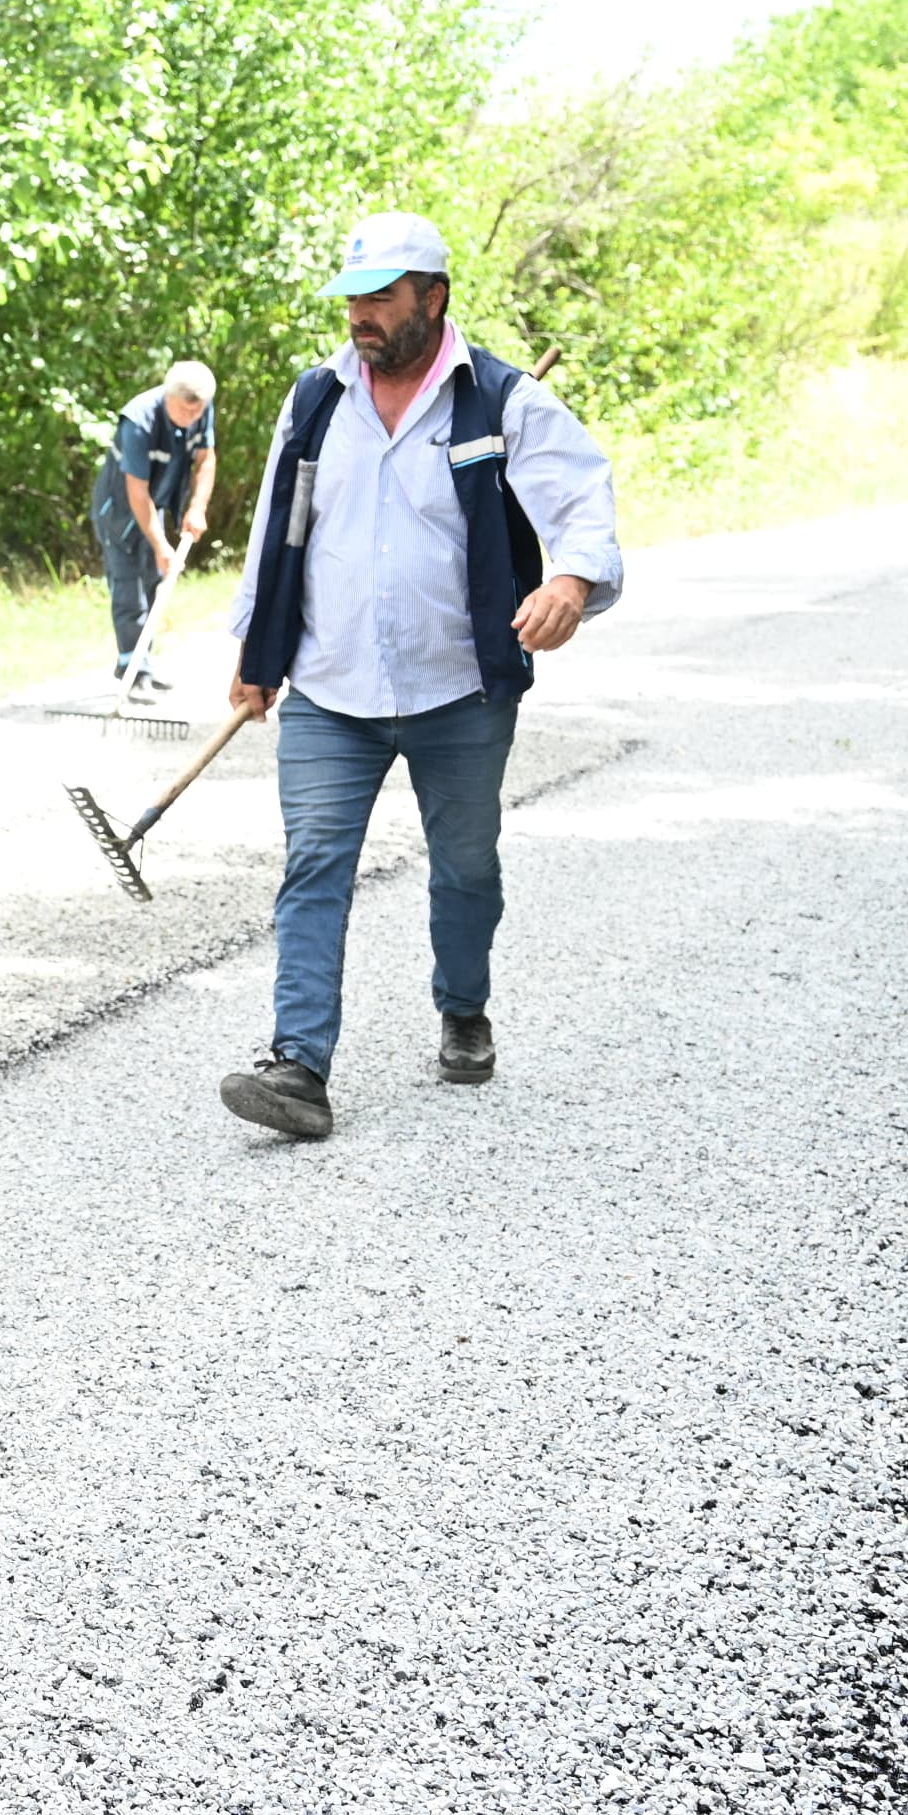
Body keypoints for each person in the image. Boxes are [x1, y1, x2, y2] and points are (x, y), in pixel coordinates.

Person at [213, 212, 622, 1142]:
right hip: (330, 685)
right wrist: (253, 643)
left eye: (381, 297)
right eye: (353, 297)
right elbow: (277, 528)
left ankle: (463, 1008)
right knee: (314, 865)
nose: (361, 315)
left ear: (433, 298)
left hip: (460, 688)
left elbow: (585, 504)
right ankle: (298, 1068)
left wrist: (570, 579)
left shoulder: (505, 402)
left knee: (467, 867)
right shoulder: (316, 399)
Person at [89, 360, 219, 694]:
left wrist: (197, 508)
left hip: (153, 505)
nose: (192, 418)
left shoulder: (200, 405)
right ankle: (131, 668)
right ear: (167, 398)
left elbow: (206, 459)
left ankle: (141, 662)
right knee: (128, 584)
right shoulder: (138, 421)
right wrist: (162, 545)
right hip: (119, 509)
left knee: (154, 581)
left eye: (197, 412)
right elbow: (136, 491)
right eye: (184, 412)